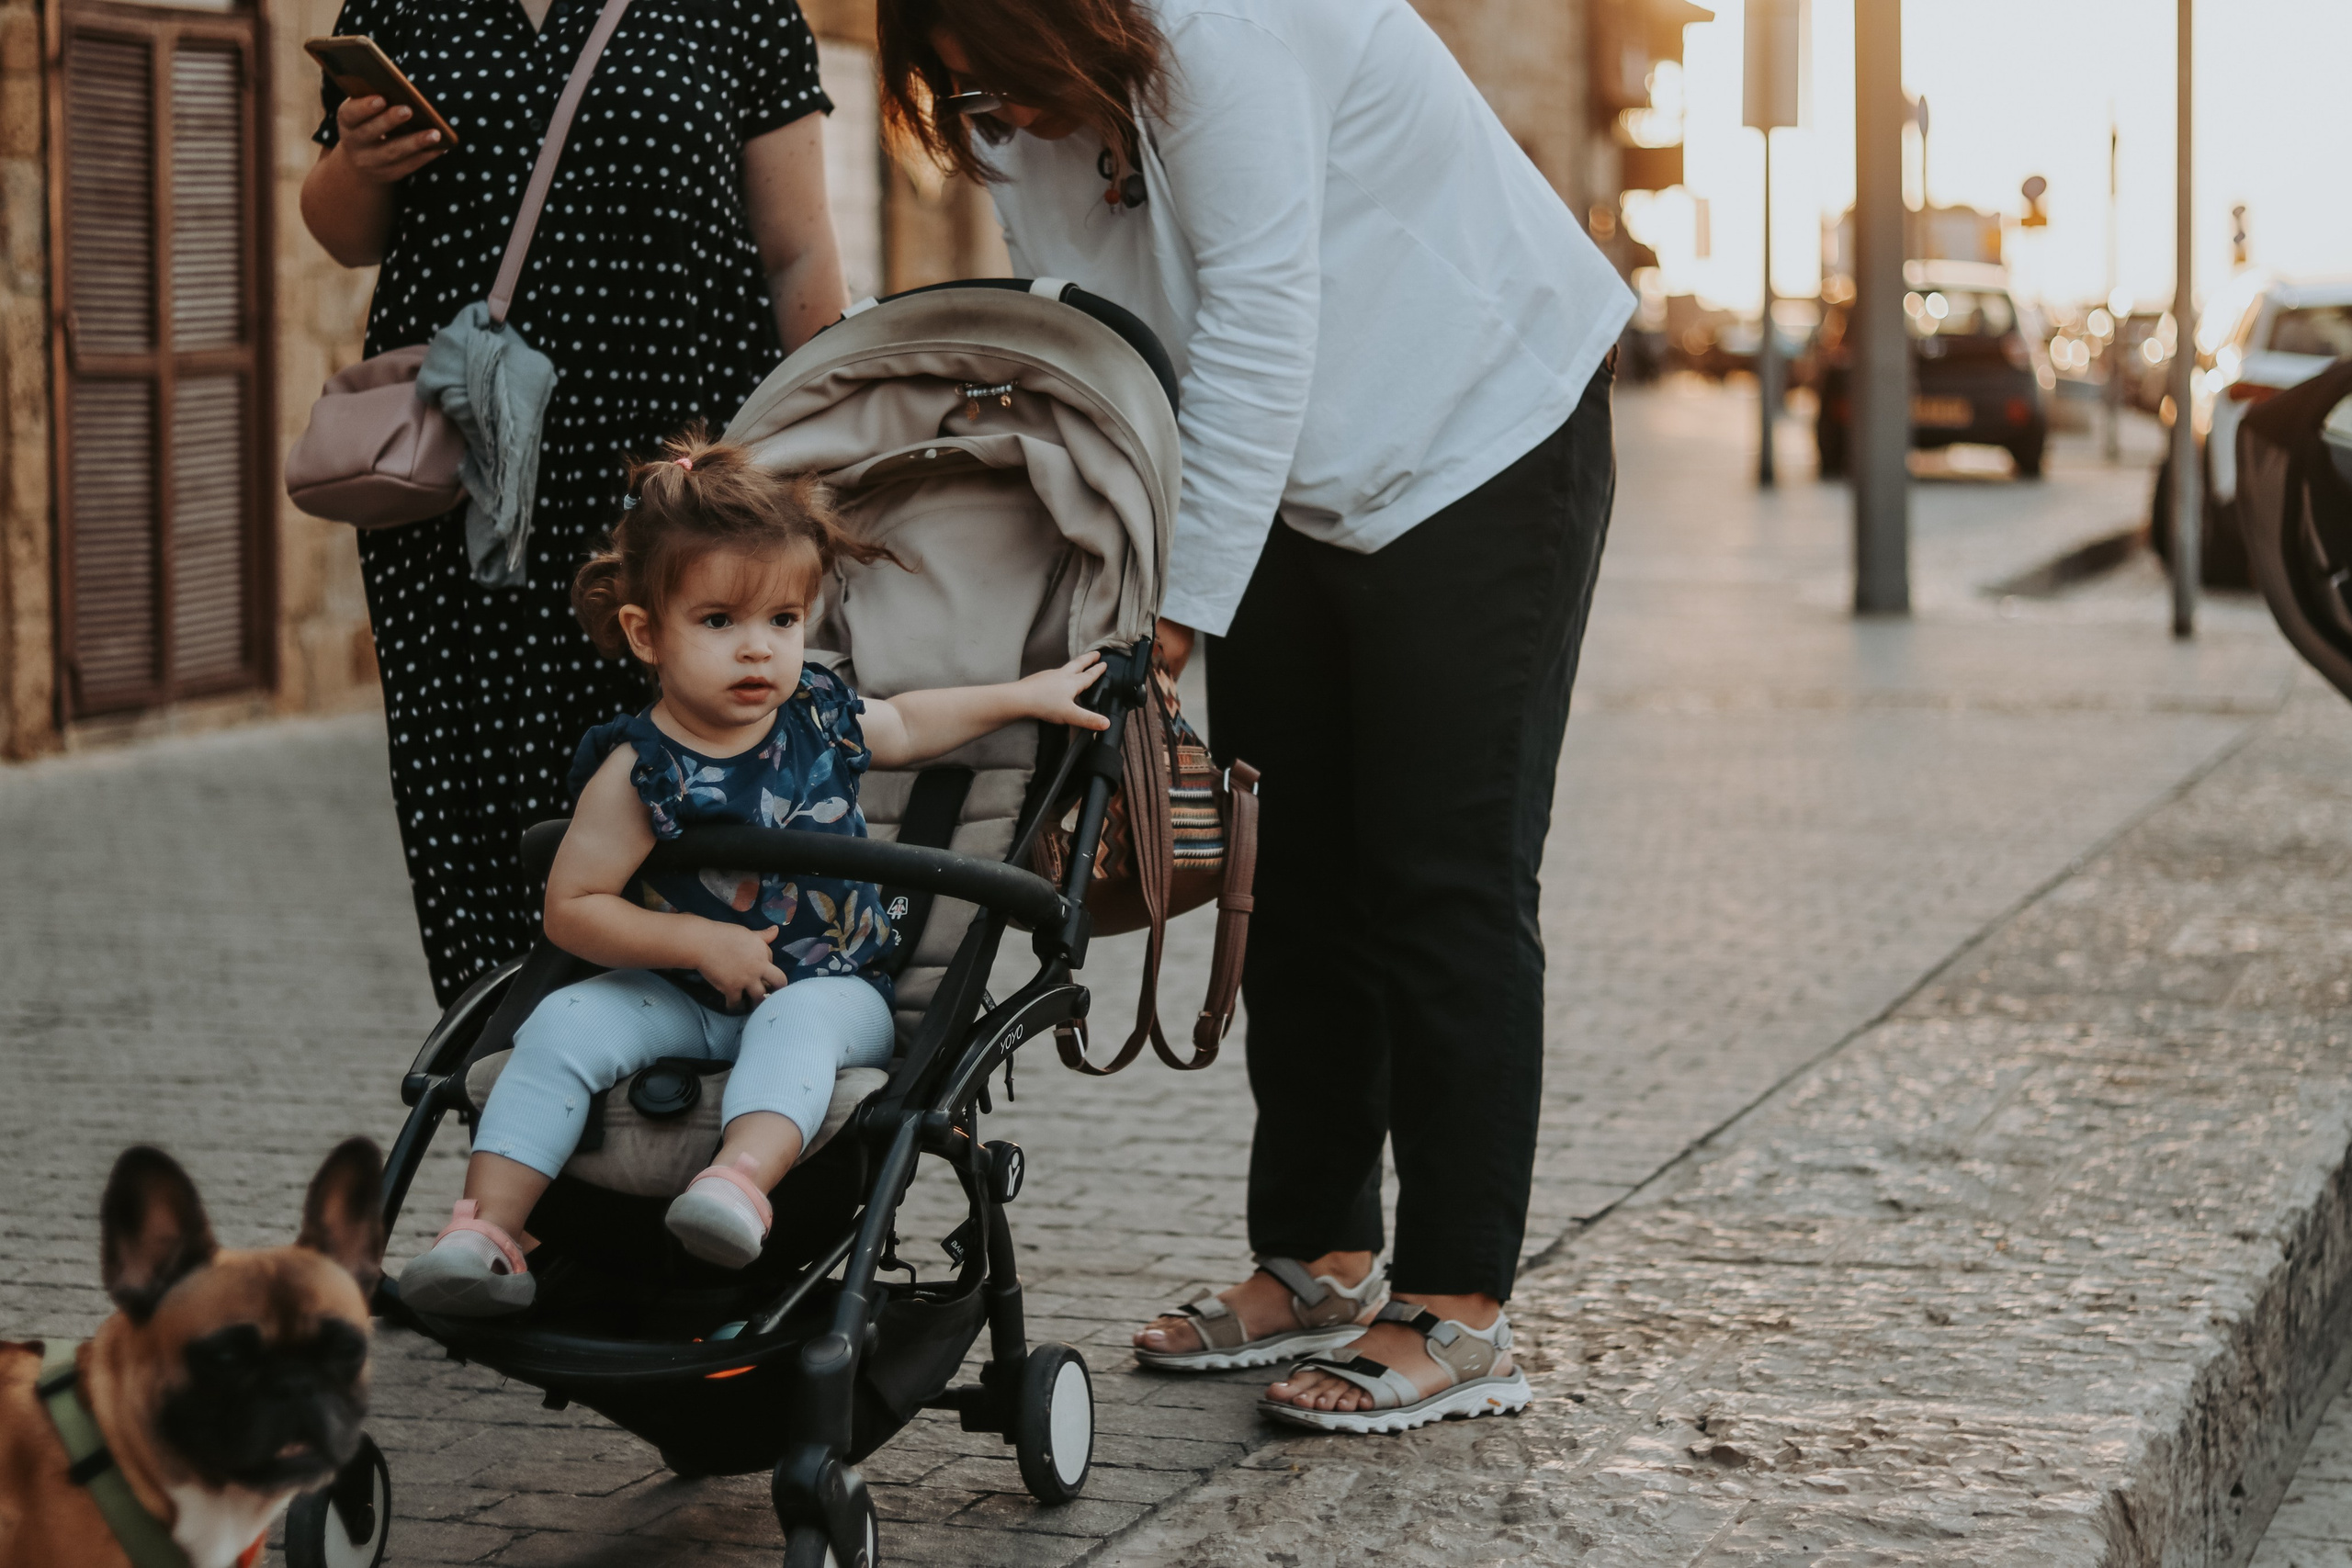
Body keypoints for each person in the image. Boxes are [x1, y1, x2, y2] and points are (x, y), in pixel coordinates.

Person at [876, 0, 1631, 1433]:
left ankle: (1459, 1306)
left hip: (1480, 424)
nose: (998, 117)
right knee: (1292, 870)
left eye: (1007, 79)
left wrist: (1168, 623)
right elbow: (1092, 337)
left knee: (1443, 868)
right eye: (965, 92)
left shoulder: (1218, 28)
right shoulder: (1015, 99)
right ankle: (1320, 1254)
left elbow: (1257, 321)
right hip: (1284, 466)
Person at [400, 434, 1112, 1316]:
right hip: (677, 991)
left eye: (782, 621)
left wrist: (1021, 695)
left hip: (833, 986)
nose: (757, 651)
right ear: (647, 634)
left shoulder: (817, 712)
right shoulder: (641, 771)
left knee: (794, 1022)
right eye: (719, 622)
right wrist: (697, 941)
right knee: (560, 1024)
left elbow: (909, 724)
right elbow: (571, 908)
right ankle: (488, 1233)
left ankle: (735, 1184)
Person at [300, 0, 850, 1009]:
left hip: (674, 492)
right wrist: (359, 167)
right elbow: (344, 233)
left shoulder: (741, 9)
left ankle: (691, 1056)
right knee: (482, 804)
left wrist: (817, 464)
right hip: (466, 497)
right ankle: (513, 1074)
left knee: (681, 772)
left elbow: (799, 253)